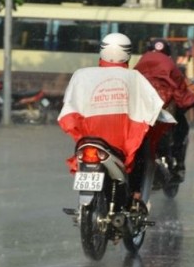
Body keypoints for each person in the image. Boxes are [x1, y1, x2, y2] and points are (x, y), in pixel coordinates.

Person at [58, 32, 164, 200]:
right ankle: (136, 193)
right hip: (121, 145)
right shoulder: (134, 77)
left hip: (89, 141)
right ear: (127, 54)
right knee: (143, 150)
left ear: (102, 51)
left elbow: (70, 105)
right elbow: (152, 106)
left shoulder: (81, 75)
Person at [134, 38, 194, 181]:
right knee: (182, 128)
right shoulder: (171, 65)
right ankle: (179, 166)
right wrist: (189, 102)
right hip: (163, 110)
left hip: (140, 110)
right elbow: (181, 91)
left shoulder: (139, 64)